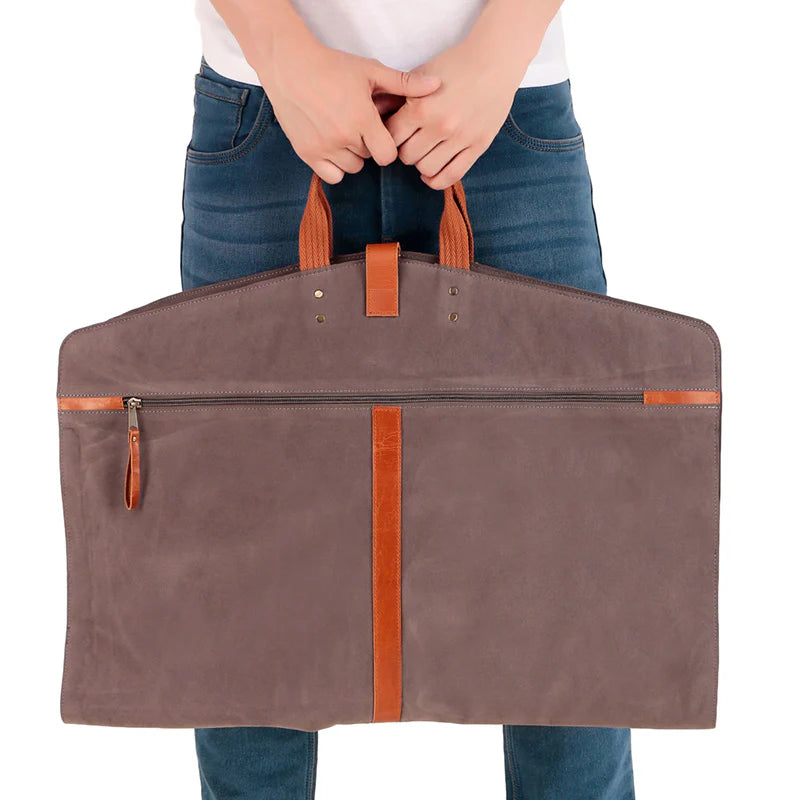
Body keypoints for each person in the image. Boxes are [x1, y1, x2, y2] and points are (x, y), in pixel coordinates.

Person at [182, 1, 636, 798]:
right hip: (267, 110)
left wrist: (501, 50)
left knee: (568, 577)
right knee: (245, 589)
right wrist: (283, 55)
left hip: (504, 110)